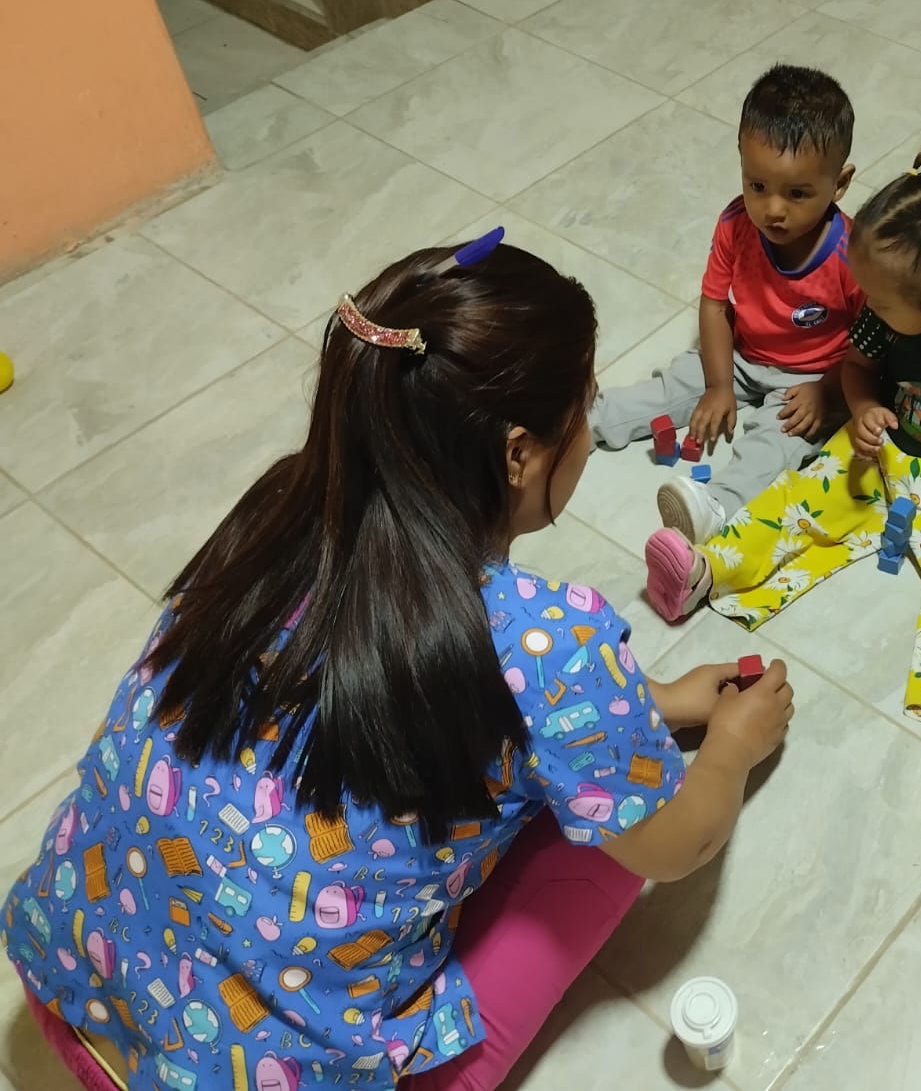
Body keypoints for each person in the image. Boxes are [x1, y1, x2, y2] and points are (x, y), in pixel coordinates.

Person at [0, 233, 795, 1091]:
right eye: (586, 408)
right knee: (603, 839)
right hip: (243, 1077)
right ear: (519, 454)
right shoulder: (553, 641)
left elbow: (393, 672)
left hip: (67, 983)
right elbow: (680, 843)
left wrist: (652, 699)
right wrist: (731, 747)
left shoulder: (279, 507)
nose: (589, 432)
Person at [642, 151, 921, 751]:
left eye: (880, 303)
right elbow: (857, 368)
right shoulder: (885, 309)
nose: (865, 304)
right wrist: (862, 408)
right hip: (880, 447)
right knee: (797, 499)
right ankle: (706, 570)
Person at [589, 63, 863, 543]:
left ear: (839, 183)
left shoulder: (852, 255)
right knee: (671, 388)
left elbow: (873, 341)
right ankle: (578, 425)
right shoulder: (735, 224)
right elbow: (715, 305)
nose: (773, 209)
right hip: (739, 355)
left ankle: (715, 506)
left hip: (813, 379)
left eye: (798, 194)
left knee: (775, 445)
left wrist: (828, 389)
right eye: (757, 186)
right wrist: (718, 385)